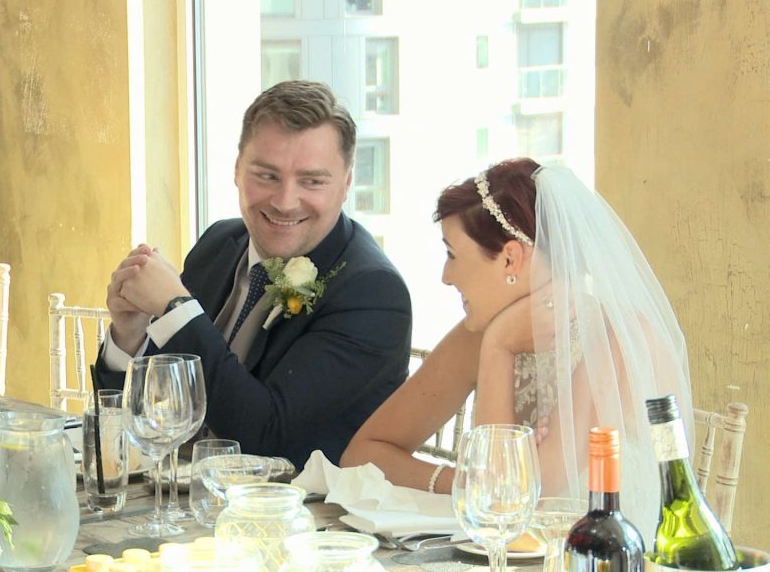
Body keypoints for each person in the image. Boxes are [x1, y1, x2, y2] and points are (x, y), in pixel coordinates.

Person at [341, 157, 692, 537]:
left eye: (452, 254)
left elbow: (510, 504)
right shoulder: (479, 331)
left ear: (510, 256)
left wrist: (499, 347)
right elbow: (360, 455)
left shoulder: (614, 342)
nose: (445, 277)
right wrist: (463, 482)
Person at [97, 80, 412, 466]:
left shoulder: (373, 293)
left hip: (302, 517)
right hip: (182, 503)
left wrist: (176, 309)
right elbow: (153, 413)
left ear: (346, 183)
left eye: (312, 181)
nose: (284, 201)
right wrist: (129, 335)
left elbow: (266, 435)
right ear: (236, 170)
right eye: (267, 176)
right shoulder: (219, 242)